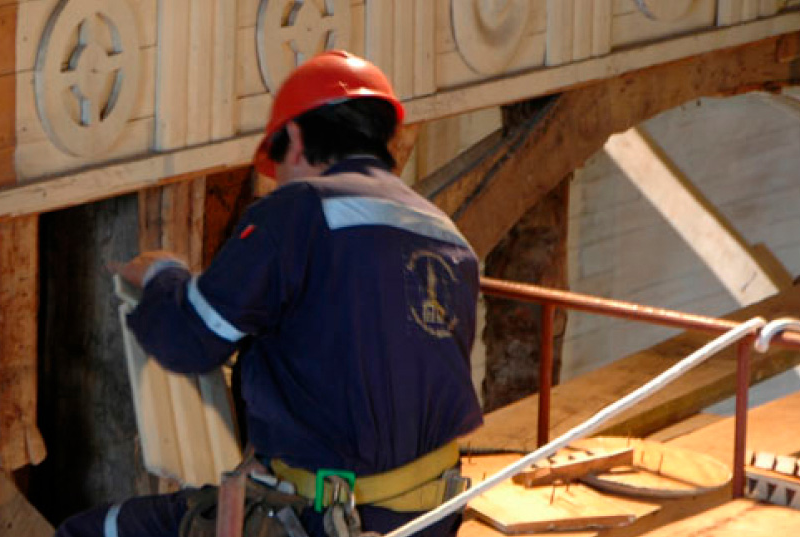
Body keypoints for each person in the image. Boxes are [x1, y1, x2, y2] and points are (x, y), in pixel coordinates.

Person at [57, 50, 483, 537]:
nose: (276, 178)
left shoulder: (297, 210)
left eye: (276, 163)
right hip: (430, 517)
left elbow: (191, 338)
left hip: (323, 519)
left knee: (90, 531)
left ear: (295, 140)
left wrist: (162, 276)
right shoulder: (448, 235)